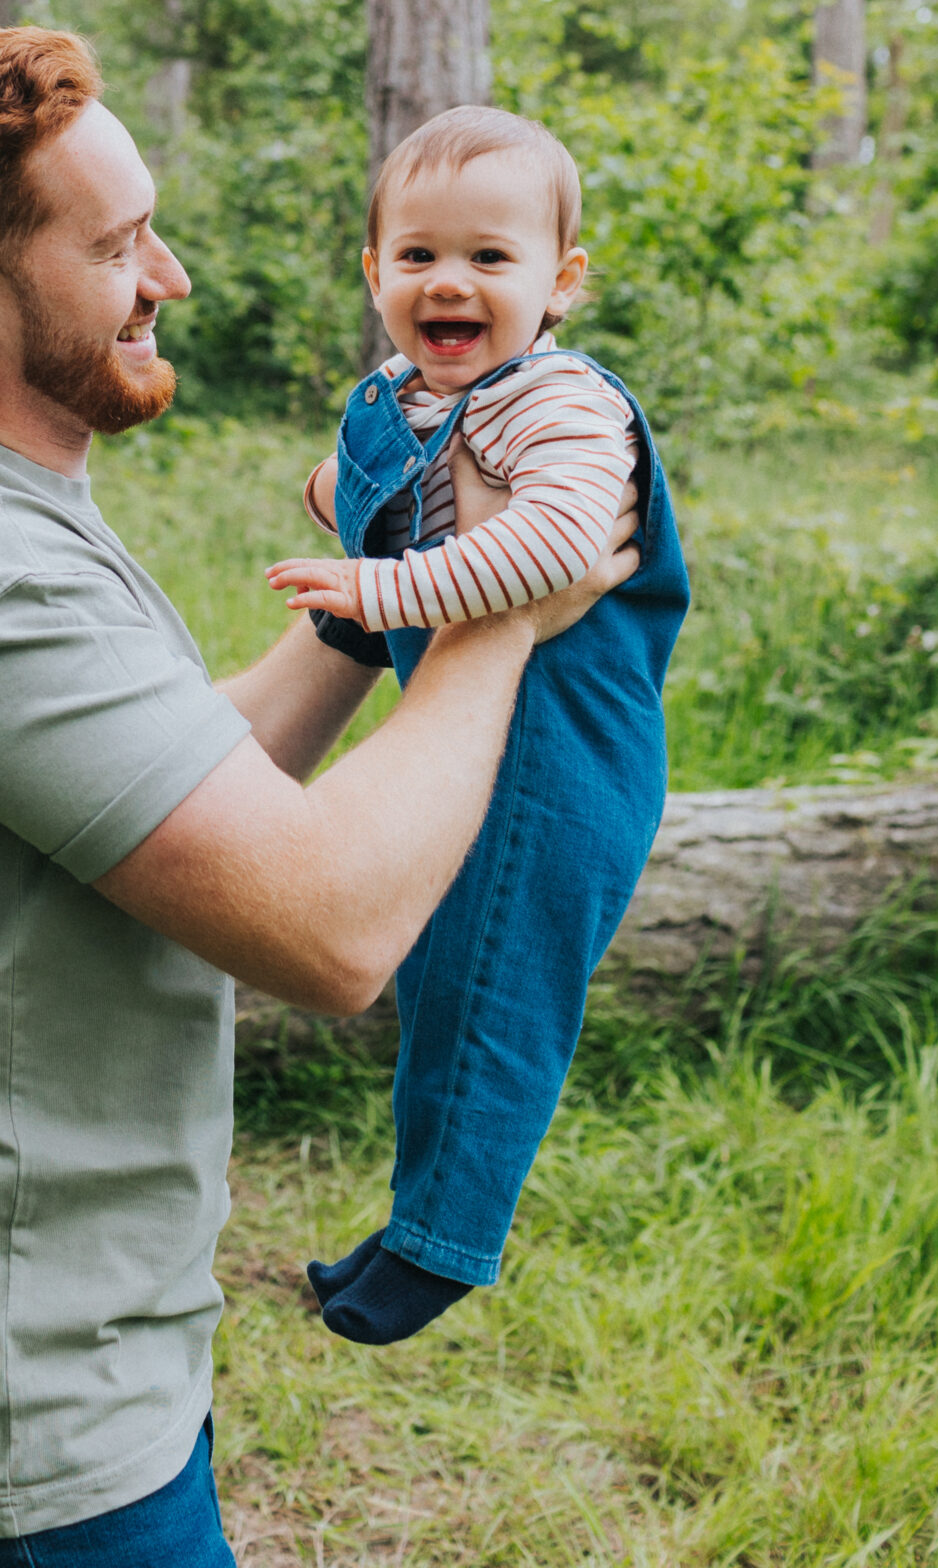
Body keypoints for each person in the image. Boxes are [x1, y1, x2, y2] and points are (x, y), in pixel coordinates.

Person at [0, 24, 640, 1565]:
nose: (165, 274)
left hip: (0, 1349)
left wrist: (372, 610)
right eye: (114, 246)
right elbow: (331, 929)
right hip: (15, 1423)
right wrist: (502, 613)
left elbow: (173, 776)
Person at [267, 106, 689, 1346]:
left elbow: (562, 544)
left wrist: (381, 585)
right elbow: (397, 483)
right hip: (483, 733)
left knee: (498, 987)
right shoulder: (413, 388)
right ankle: (413, 1218)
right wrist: (348, 497)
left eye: (491, 259)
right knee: (440, 978)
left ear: (560, 283)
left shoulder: (555, 401)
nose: (450, 281)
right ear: (376, 273)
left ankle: (449, 1242)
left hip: (563, 745)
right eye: (418, 255)